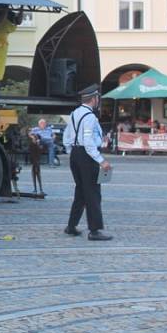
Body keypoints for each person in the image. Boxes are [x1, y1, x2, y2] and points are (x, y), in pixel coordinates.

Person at [62, 84, 113, 241]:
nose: (98, 101)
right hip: (87, 156)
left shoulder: (74, 114)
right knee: (93, 193)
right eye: (98, 98)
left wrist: (74, 153)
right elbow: (88, 142)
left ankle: (71, 226)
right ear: (94, 99)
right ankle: (95, 230)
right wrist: (101, 160)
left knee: (81, 192)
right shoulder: (90, 117)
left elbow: (67, 137)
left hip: (76, 155)